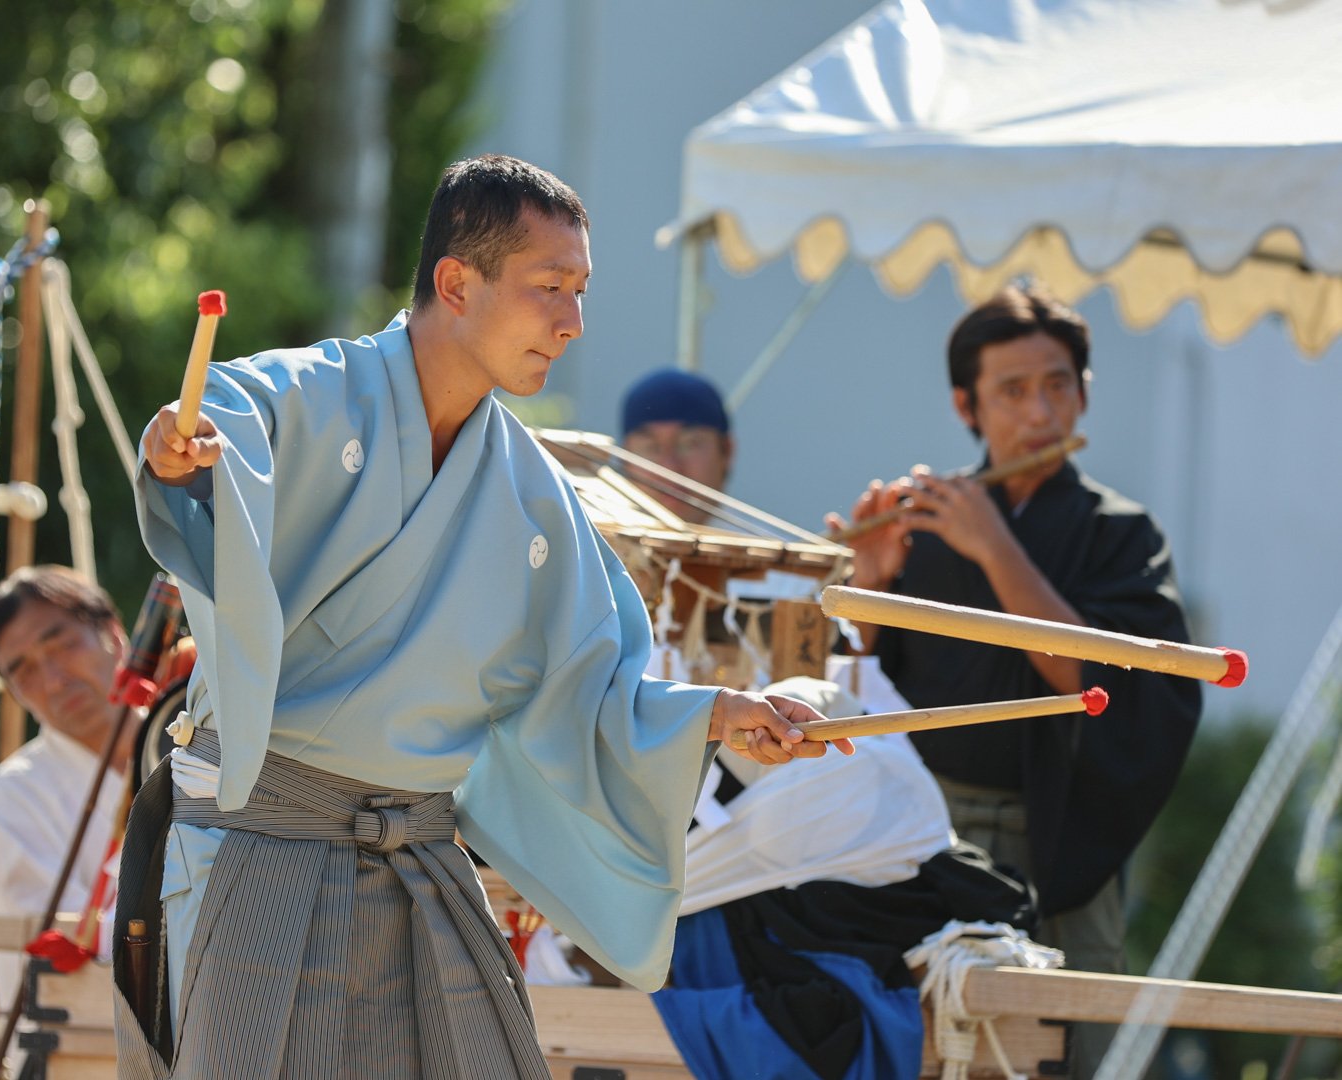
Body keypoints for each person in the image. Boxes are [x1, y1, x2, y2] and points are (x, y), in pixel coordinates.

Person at [114, 154, 851, 1079]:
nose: (573, 323)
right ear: (455, 283)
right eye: (550, 288)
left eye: (580, 293)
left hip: (419, 861)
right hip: (265, 845)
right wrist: (178, 451)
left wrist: (713, 714)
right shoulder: (309, 394)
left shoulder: (534, 494)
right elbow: (221, 418)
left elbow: (590, 686)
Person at [828, 283, 1202, 1078]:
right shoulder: (925, 526)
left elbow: (1105, 680)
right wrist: (873, 588)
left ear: (1084, 393)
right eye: (1013, 391)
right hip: (927, 833)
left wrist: (997, 549)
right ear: (968, 405)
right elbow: (862, 694)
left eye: (1058, 385)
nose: (1040, 414)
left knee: (1075, 1049)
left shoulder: (1121, 534)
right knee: (923, 1046)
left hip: (1060, 835)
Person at [0, 565, 141, 1005]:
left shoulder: (195, 745)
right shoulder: (18, 794)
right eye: (23, 671)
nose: (52, 680)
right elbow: (66, 949)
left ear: (113, 632)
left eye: (62, 644)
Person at [618, 367, 734, 524]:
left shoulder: (769, 545)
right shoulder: (586, 545)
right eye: (651, 448)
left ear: (726, 452)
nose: (669, 469)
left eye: (689, 445)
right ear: (624, 459)